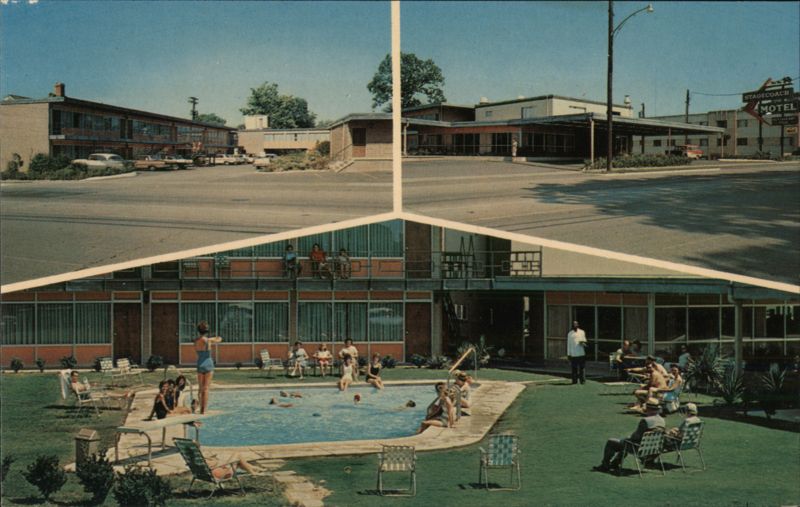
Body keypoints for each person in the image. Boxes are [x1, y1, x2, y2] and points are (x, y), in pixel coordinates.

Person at [595, 398, 665, 472]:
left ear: (648, 408)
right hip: (653, 448)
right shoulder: (662, 420)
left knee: (611, 442)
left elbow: (636, 437)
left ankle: (605, 465)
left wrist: (628, 438)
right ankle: (615, 463)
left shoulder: (645, 421)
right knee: (625, 442)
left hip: (639, 448)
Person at [195, 321, 222, 414]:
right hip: (208, 363)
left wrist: (210, 338)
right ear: (207, 331)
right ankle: (203, 409)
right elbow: (219, 339)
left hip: (200, 363)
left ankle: (199, 407)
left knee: (200, 388)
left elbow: (203, 340)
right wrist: (215, 338)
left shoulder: (196, 341)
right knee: (206, 388)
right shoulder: (208, 341)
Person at [567, 320, 588, 385]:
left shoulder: (582, 332)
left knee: (582, 368)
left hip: (581, 353)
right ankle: (574, 381)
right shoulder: (570, 334)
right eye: (574, 324)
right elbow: (569, 344)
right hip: (573, 354)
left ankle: (582, 381)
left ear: (578, 325)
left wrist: (583, 343)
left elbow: (584, 341)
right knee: (574, 368)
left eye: (576, 324)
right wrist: (568, 354)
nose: (575, 325)